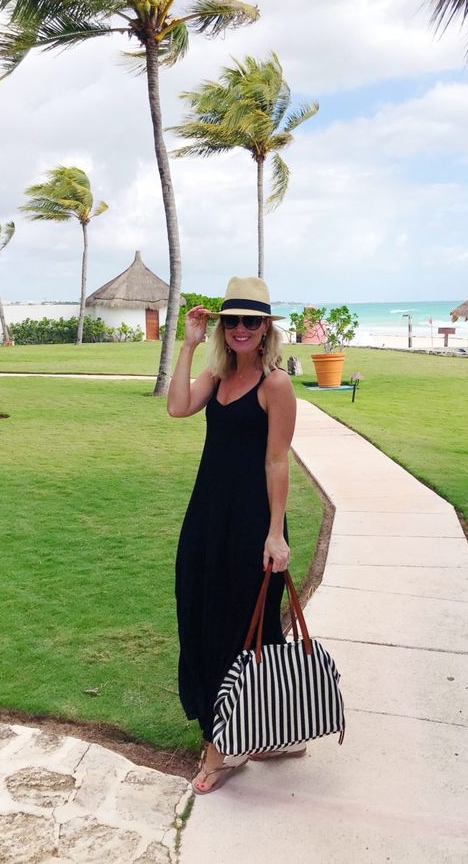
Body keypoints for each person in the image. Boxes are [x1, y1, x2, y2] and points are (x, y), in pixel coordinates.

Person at [167, 276, 297, 795]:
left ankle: (221, 751)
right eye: (232, 321)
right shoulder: (217, 375)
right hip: (207, 517)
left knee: (241, 626)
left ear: (266, 329)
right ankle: (260, 731)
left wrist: (275, 535)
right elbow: (177, 407)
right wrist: (189, 342)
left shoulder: (275, 384)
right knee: (199, 610)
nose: (241, 329)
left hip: (251, 524)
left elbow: (277, 460)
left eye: (252, 321)